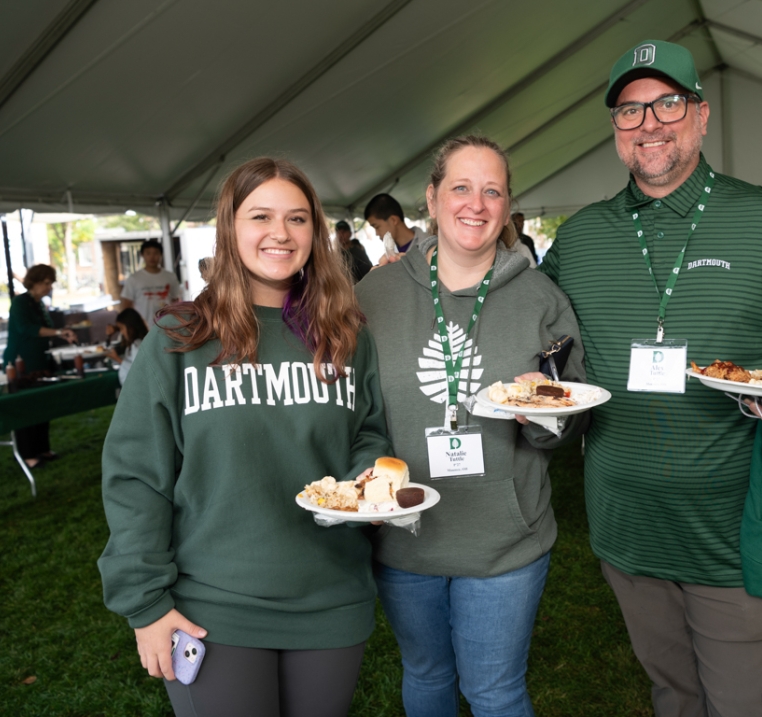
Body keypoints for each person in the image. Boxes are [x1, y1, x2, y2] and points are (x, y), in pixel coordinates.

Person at [540, 39, 762, 717]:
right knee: (674, 695)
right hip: (627, 530)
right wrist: (420, 271)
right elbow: (523, 323)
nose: (649, 122)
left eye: (667, 103)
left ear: (702, 115)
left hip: (738, 533)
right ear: (614, 129)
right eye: (630, 110)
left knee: (745, 702)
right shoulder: (581, 238)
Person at [98, 157, 392, 717]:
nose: (280, 233)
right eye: (261, 216)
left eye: (298, 219)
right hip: (212, 605)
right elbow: (136, 476)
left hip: (331, 597)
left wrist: (368, 475)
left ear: (316, 232)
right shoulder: (180, 338)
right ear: (230, 229)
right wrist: (146, 605)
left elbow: (369, 432)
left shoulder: (346, 335)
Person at [355, 135, 587, 717]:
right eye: (460, 187)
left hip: (505, 541)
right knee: (427, 674)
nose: (475, 204)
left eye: (492, 191)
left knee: (494, 691)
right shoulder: (373, 295)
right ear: (431, 199)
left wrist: (541, 416)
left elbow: (566, 421)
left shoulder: (541, 299)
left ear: (507, 207)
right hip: (405, 536)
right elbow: (348, 407)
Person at [2, 264, 78, 467]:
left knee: (42, 405)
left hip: (40, 361)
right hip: (22, 362)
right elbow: (27, 329)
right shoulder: (20, 302)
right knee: (26, 407)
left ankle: (42, 448)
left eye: (50, 283)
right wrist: (60, 333)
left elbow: (46, 329)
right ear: (33, 282)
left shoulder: (39, 304)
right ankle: (28, 454)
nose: (49, 287)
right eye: (45, 283)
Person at [120, 238, 182, 325]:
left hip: (166, 325)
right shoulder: (134, 278)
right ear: (142, 255)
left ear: (161, 255)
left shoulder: (170, 276)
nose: (152, 257)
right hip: (143, 327)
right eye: (148, 253)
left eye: (156, 253)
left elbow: (175, 301)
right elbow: (126, 304)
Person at [365, 193, 426, 264]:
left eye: (377, 227)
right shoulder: (390, 255)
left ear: (393, 220)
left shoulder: (429, 246)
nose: (376, 233)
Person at [105, 307, 147, 385]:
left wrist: (117, 358)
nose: (121, 332)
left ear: (130, 327)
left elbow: (138, 369)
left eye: (122, 328)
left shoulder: (137, 345)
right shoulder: (133, 344)